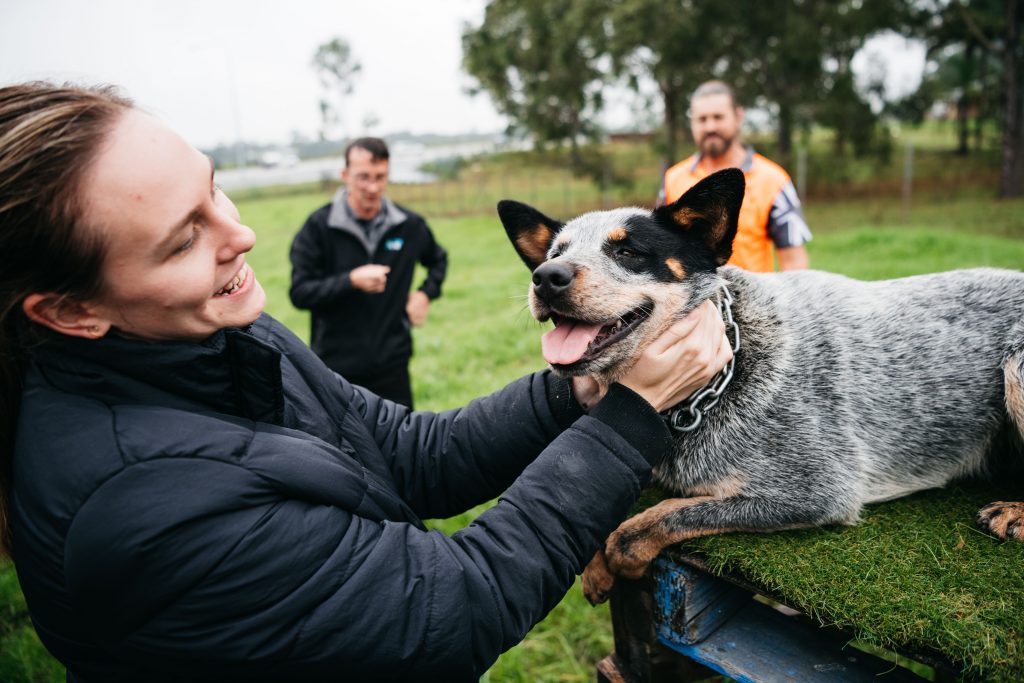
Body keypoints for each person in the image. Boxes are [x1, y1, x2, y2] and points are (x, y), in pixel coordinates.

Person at [0, 82, 733, 682]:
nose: (239, 233)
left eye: (214, 189)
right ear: (70, 309)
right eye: (185, 237)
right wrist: (632, 416)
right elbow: (450, 607)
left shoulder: (222, 335)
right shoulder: (140, 514)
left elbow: (410, 453)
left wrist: (578, 391)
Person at [289, 137, 447, 408]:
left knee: (401, 446)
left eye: (380, 177)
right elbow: (300, 293)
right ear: (345, 175)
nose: (373, 187)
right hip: (335, 367)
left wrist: (424, 294)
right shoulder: (318, 227)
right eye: (363, 177)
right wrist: (350, 281)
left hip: (393, 362)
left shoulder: (409, 226)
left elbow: (438, 259)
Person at [659, 80, 812, 272]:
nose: (710, 127)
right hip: (697, 300)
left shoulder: (773, 180)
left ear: (738, 116)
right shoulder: (673, 178)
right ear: (692, 123)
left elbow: (794, 262)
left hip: (753, 299)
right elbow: (660, 248)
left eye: (718, 117)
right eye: (702, 119)